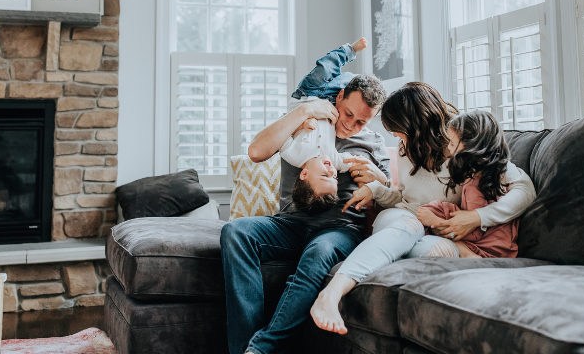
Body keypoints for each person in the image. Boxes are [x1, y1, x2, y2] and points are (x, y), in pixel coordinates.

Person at [310, 82, 536, 335]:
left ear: (416, 124)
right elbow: (404, 200)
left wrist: (476, 217)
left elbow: (525, 191)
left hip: (436, 233)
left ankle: (372, 262)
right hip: (403, 219)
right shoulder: (407, 149)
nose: (396, 138)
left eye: (398, 130)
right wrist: (376, 190)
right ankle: (331, 293)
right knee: (409, 227)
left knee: (431, 250)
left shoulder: (463, 143)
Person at [221, 67, 390, 354]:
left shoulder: (373, 143)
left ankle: (261, 347)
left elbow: (391, 197)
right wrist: (305, 110)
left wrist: (379, 177)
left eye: (362, 122)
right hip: (289, 224)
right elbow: (256, 152)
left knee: (319, 252)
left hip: (340, 230)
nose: (352, 125)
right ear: (339, 97)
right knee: (235, 232)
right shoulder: (307, 121)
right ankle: (244, 349)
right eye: (349, 114)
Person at [416, 110, 520, 258]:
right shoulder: (492, 173)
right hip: (502, 244)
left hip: (490, 248)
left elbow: (473, 233)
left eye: (452, 143)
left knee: (438, 224)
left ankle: (470, 257)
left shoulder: (475, 184)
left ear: (471, 146)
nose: (449, 149)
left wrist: (435, 221)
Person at [284, 39, 369, 211]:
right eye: (335, 178)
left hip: (306, 95)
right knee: (353, 82)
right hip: (329, 101)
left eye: (325, 175)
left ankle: (350, 50)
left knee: (325, 68)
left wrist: (300, 126)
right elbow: (354, 162)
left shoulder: (293, 155)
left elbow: (281, 133)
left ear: (305, 174)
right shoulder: (333, 159)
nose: (331, 170)